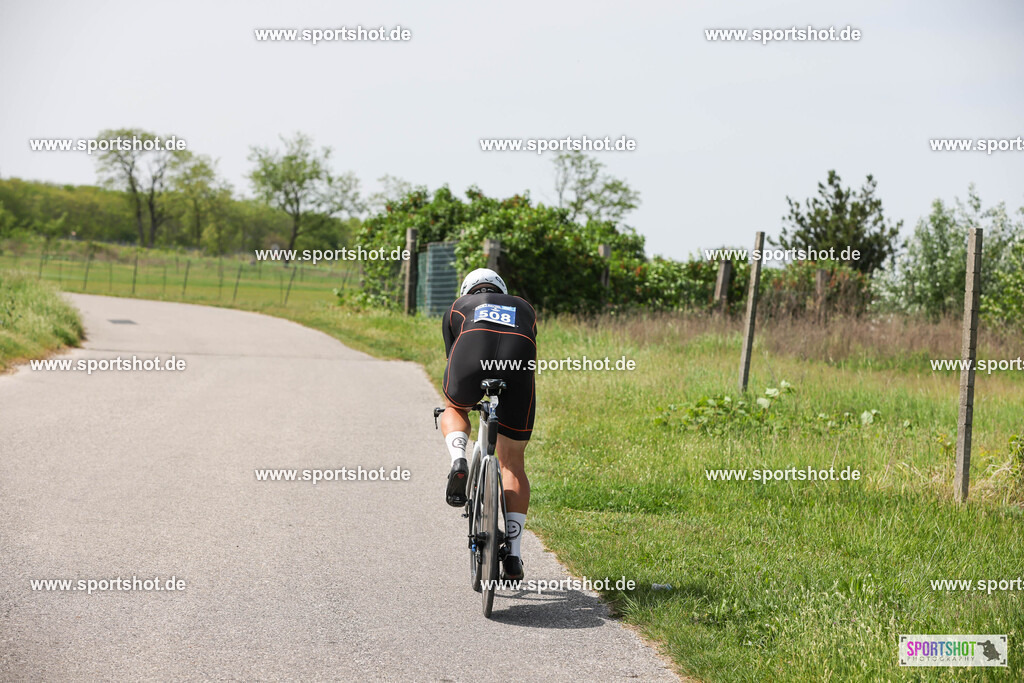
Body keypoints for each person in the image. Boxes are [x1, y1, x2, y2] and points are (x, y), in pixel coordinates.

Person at [440, 268, 536, 583]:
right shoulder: (523, 306)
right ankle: (514, 553)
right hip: (517, 359)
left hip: (471, 350)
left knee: (456, 407)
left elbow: (451, 355)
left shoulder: (459, 305)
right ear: (501, 289)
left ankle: (458, 458)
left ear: (468, 290)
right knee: (512, 463)